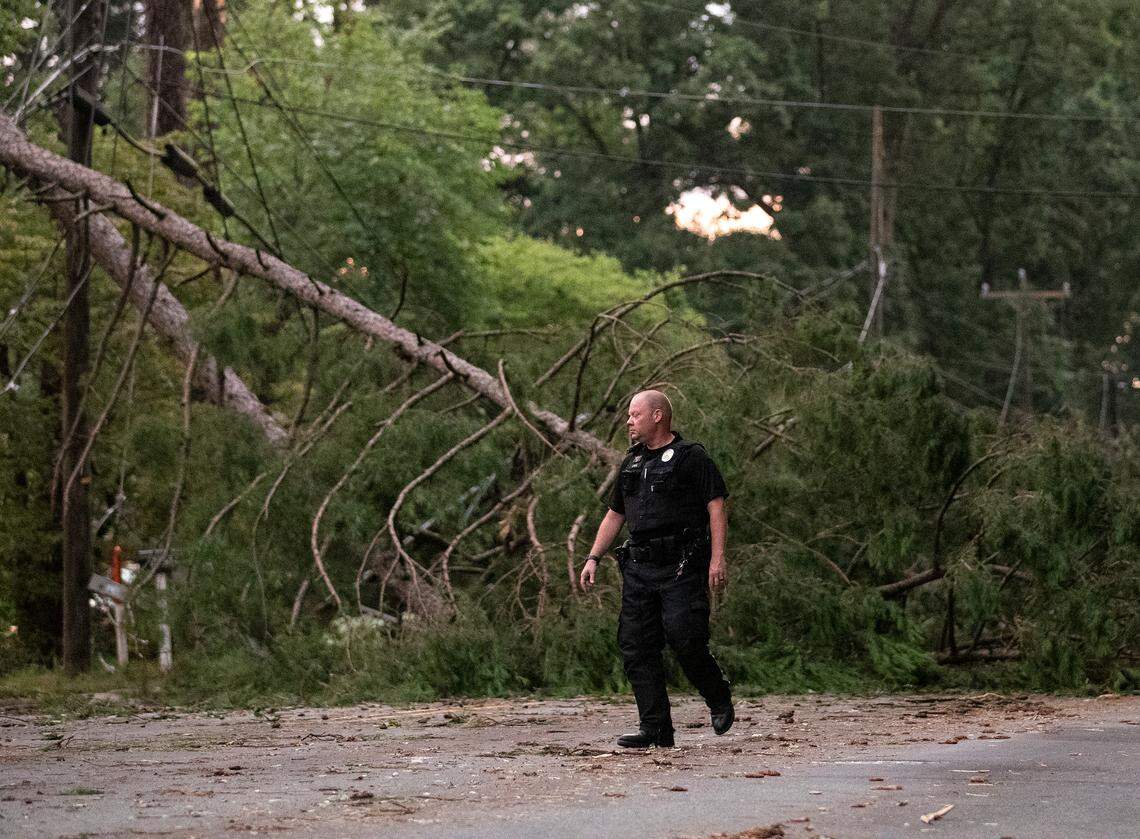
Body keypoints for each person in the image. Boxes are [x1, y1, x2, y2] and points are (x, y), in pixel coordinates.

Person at [579, 389, 733, 748]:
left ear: (658, 416)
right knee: (635, 646)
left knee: (685, 637)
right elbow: (615, 513)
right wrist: (592, 557)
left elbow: (716, 506)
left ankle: (717, 694)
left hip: (681, 564)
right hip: (640, 567)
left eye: (635, 415)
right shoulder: (631, 463)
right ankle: (656, 729)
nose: (629, 421)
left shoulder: (690, 458)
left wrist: (717, 558)